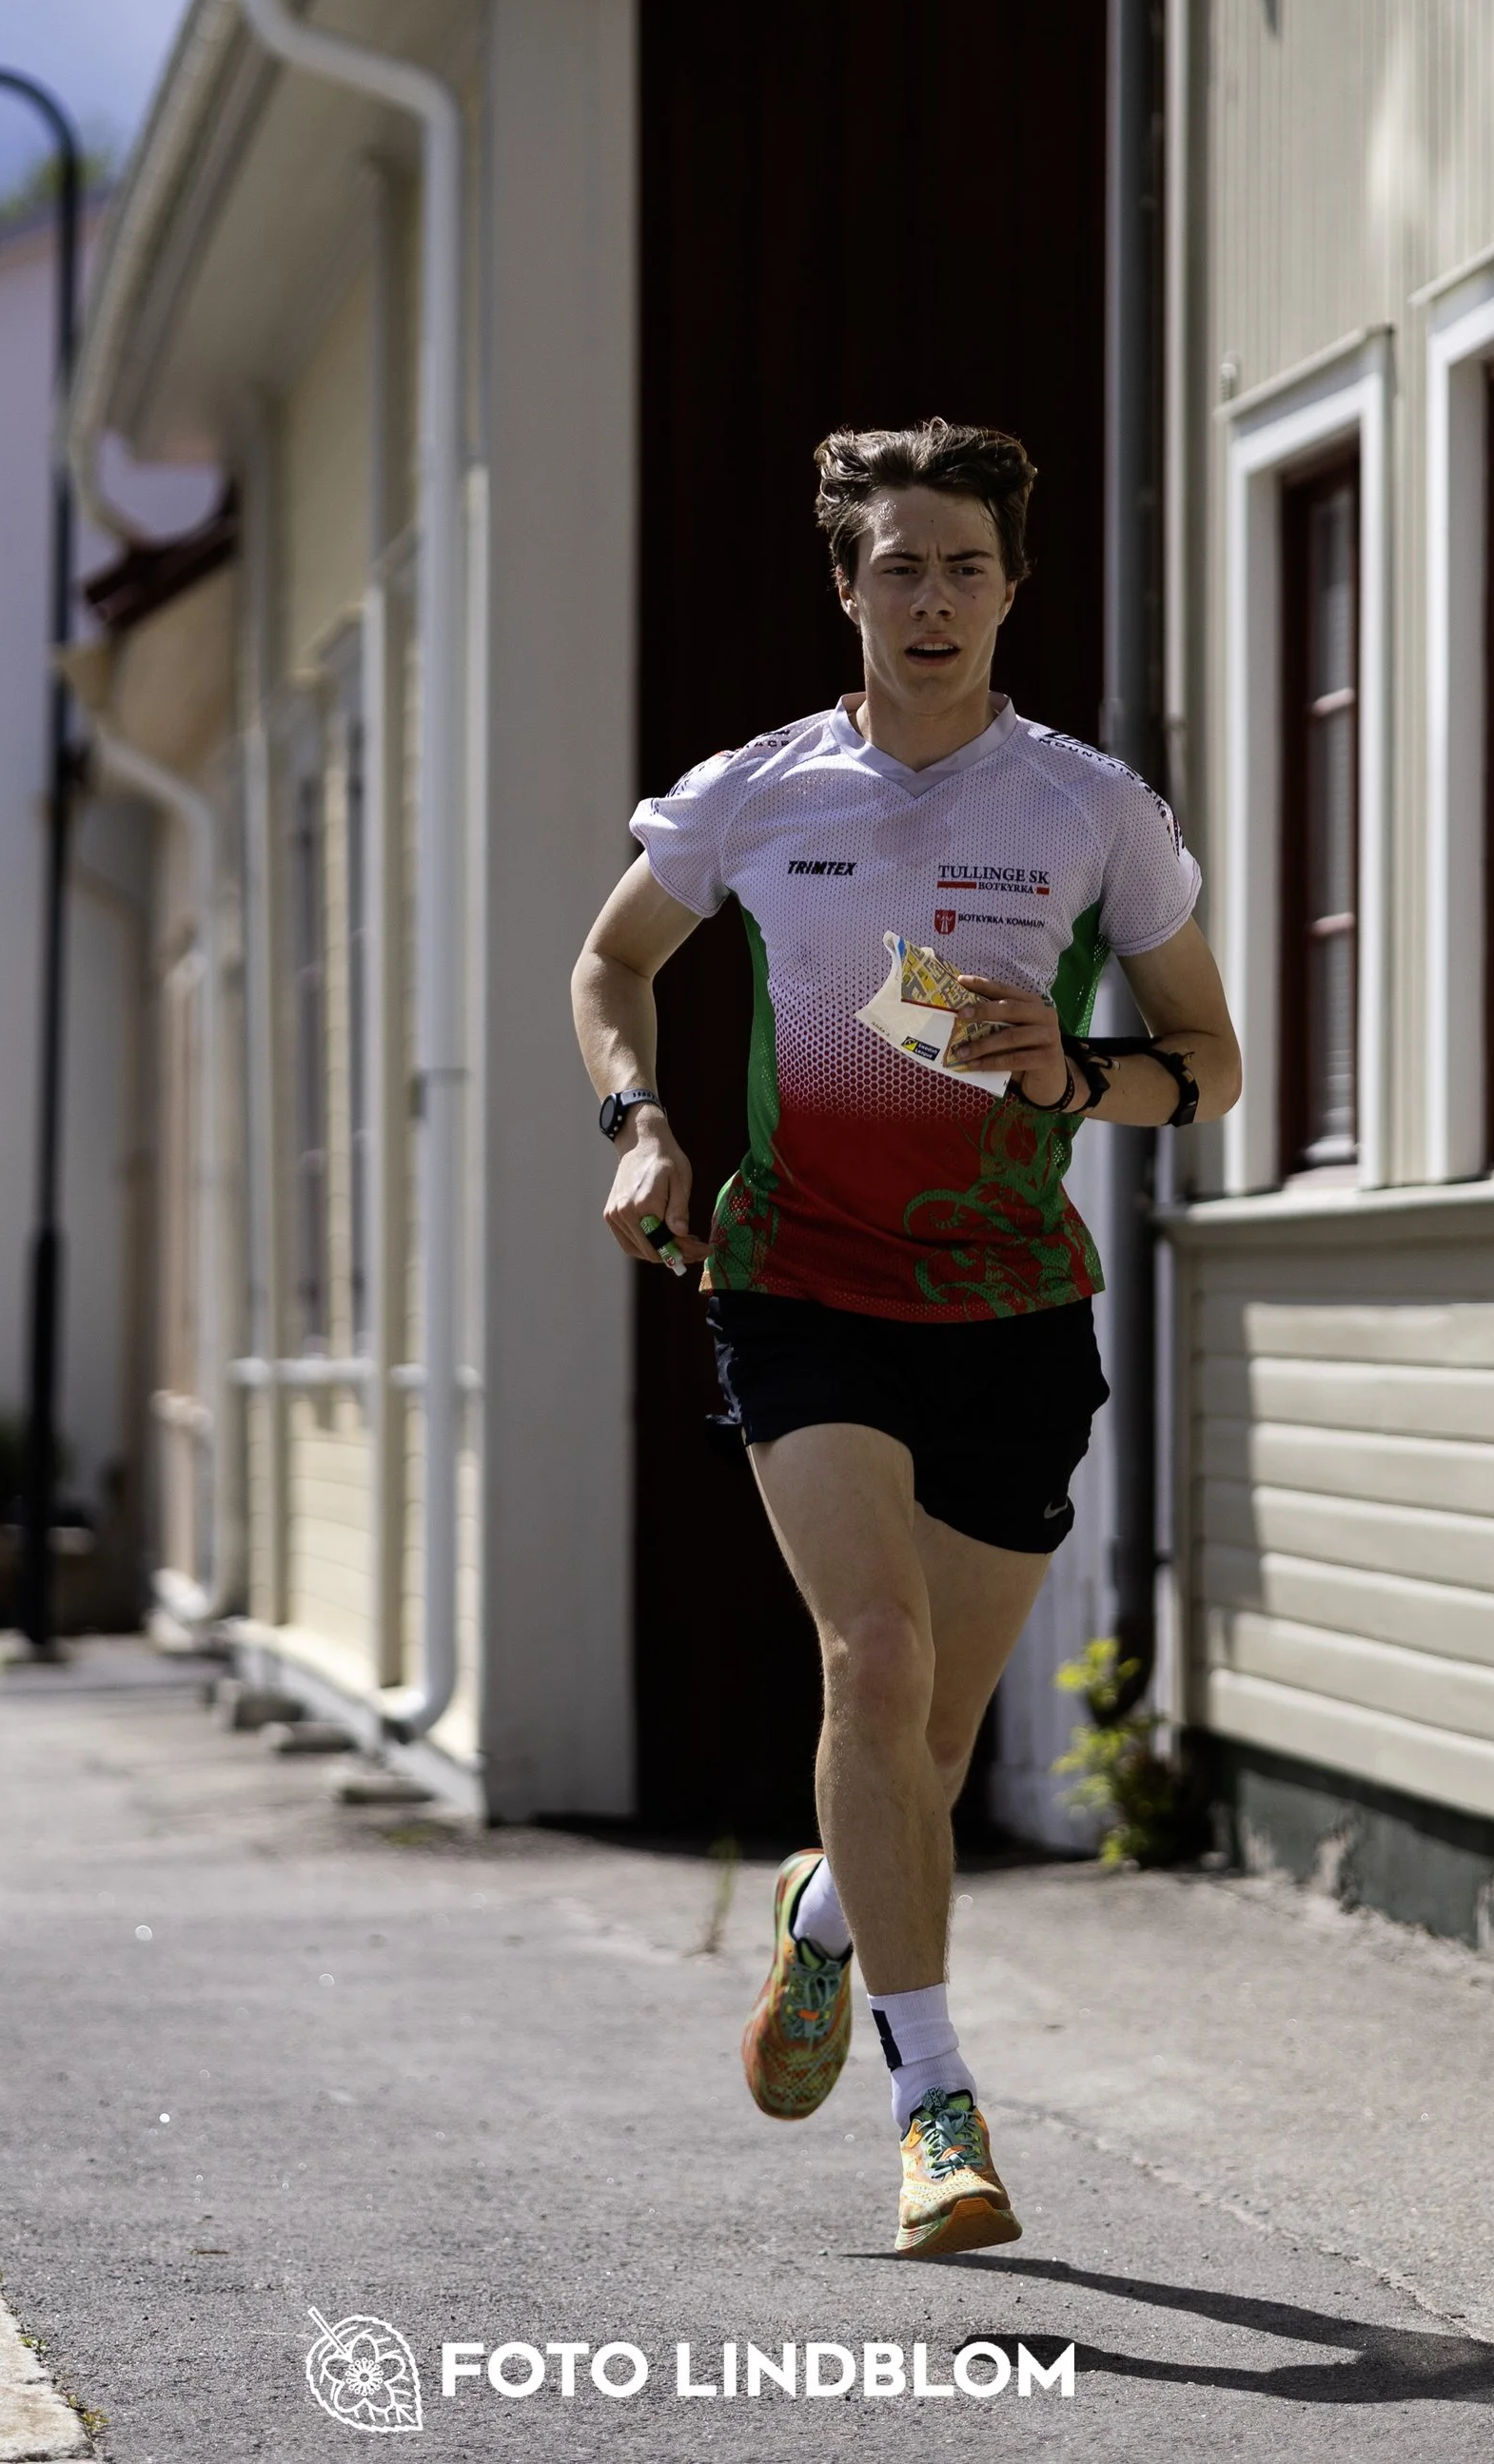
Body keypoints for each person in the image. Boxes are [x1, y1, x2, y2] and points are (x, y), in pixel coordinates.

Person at [570, 417, 1240, 2258]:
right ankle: (938, 2109)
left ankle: (821, 1920)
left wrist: (1078, 1072)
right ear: (846, 587)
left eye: (964, 568)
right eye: (898, 568)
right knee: (871, 1661)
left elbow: (1211, 1063)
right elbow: (612, 962)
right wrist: (641, 1125)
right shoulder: (754, 794)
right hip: (800, 1284)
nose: (931, 601)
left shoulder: (1091, 810)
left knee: (930, 1751)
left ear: (1014, 589)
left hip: (1013, 1305)